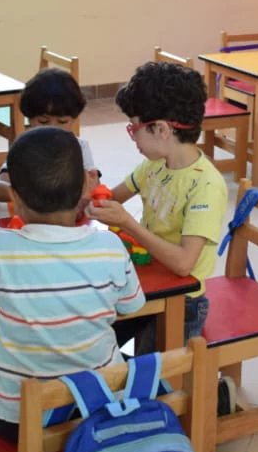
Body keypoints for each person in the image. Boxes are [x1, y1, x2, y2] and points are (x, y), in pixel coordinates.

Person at [0, 127, 145, 440]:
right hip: (99, 408)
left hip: (25, 420)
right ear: (85, 188)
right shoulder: (110, 246)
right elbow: (130, 308)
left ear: (15, 196)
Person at [87, 61, 226, 344]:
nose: (132, 136)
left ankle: (212, 389)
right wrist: (89, 193)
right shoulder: (154, 165)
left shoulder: (206, 186)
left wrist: (126, 222)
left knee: (156, 377)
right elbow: (111, 198)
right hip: (148, 279)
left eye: (134, 128)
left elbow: (184, 264)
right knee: (101, 335)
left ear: (162, 129)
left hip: (181, 301)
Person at [0, 68, 100, 213]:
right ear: (29, 118)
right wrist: (28, 195)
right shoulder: (24, 146)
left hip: (70, 226)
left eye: (62, 121)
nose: (52, 129)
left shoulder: (79, 147)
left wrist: (90, 188)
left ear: (74, 119)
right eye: (43, 121)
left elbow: (95, 187)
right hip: (28, 226)